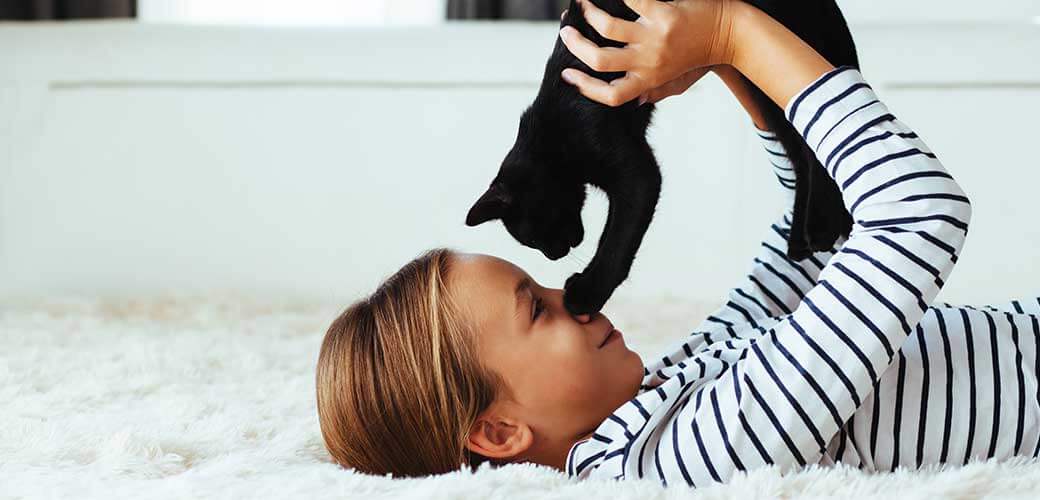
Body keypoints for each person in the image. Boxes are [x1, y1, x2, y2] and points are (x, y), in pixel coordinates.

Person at [315, 0, 1040, 486]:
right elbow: (916, 216)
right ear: (500, 432)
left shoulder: (662, 386)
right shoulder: (678, 460)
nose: (573, 298)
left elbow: (817, 236)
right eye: (537, 310)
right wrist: (732, 27)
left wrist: (725, 63)